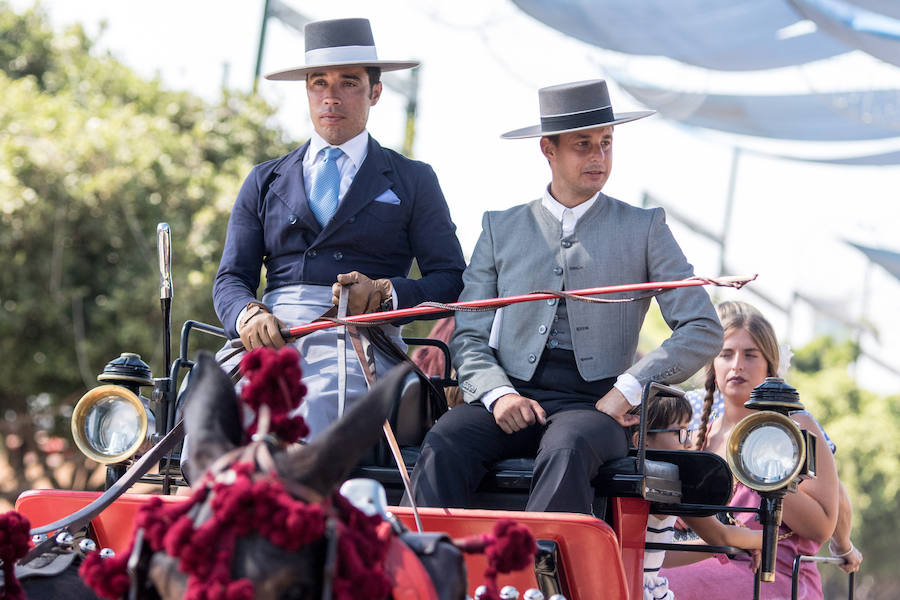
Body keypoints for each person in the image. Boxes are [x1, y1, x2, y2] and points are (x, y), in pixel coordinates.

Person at [407, 79, 724, 514]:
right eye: (583, 145)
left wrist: (626, 391)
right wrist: (499, 395)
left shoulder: (645, 228)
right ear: (547, 149)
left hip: (595, 405)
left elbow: (702, 328)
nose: (599, 156)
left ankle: (539, 575)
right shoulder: (500, 228)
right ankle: (426, 571)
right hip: (511, 391)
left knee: (568, 447)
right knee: (445, 440)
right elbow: (469, 335)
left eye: (606, 143)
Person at [211, 18, 465, 438]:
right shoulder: (264, 179)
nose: (331, 97)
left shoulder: (412, 179)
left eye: (348, 83)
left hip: (359, 343)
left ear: (375, 92)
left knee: (309, 407)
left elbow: (451, 280)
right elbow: (231, 278)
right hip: (269, 335)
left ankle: (285, 497)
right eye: (318, 83)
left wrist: (386, 293)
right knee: (205, 402)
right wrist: (247, 313)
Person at [661, 301, 844, 599]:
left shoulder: (797, 427)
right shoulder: (697, 435)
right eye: (726, 354)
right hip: (693, 569)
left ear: (770, 365)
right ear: (713, 365)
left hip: (769, 577)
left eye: (750, 355)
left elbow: (821, 528)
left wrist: (762, 471)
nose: (737, 365)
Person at [627, 394, 761, 600]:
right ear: (642, 440)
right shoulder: (665, 487)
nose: (688, 442)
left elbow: (660, 555)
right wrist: (765, 539)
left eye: (688, 432)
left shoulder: (632, 479)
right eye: (680, 433)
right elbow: (721, 535)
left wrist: (724, 547)